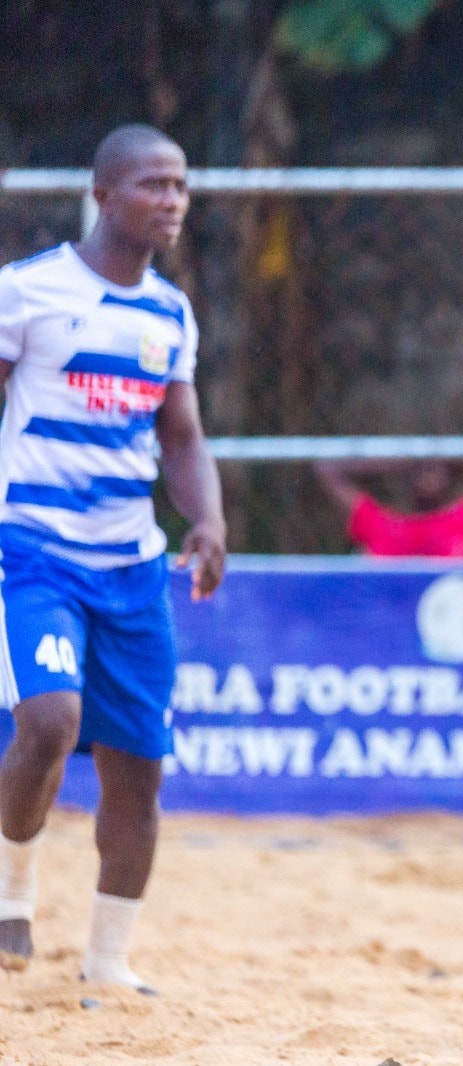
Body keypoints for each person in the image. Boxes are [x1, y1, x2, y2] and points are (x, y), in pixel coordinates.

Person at [0, 124, 227, 992]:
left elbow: (181, 438)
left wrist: (206, 520)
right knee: (51, 722)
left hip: (133, 566)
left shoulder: (169, 312)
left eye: (180, 185)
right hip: (33, 552)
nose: (172, 200)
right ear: (103, 194)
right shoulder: (28, 293)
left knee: (138, 765)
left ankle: (107, 962)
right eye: (153, 184)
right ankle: (13, 891)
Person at [313, 458, 463, 557]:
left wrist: (460, 463)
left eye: (434, 467)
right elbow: (327, 469)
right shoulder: (381, 524)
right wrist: (400, 463)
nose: (428, 474)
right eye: (421, 467)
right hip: (386, 623)